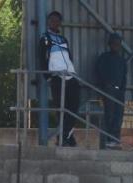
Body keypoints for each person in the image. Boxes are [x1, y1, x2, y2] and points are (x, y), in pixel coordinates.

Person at [38, 10, 80, 146]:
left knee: (73, 107)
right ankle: (65, 138)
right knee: (61, 108)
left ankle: (66, 135)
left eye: (57, 20)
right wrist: (48, 76)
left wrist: (72, 70)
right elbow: (41, 58)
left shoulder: (63, 39)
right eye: (51, 20)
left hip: (70, 75)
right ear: (48, 22)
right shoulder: (45, 38)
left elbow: (69, 56)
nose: (54, 22)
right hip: (57, 76)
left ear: (60, 23)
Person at [95, 33, 127, 149]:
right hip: (109, 90)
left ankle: (115, 139)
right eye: (114, 43)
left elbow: (124, 76)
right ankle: (109, 139)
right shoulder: (104, 57)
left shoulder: (122, 60)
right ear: (109, 44)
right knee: (110, 114)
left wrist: (122, 89)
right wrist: (104, 88)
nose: (116, 46)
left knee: (119, 115)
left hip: (119, 91)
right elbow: (99, 73)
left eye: (118, 44)